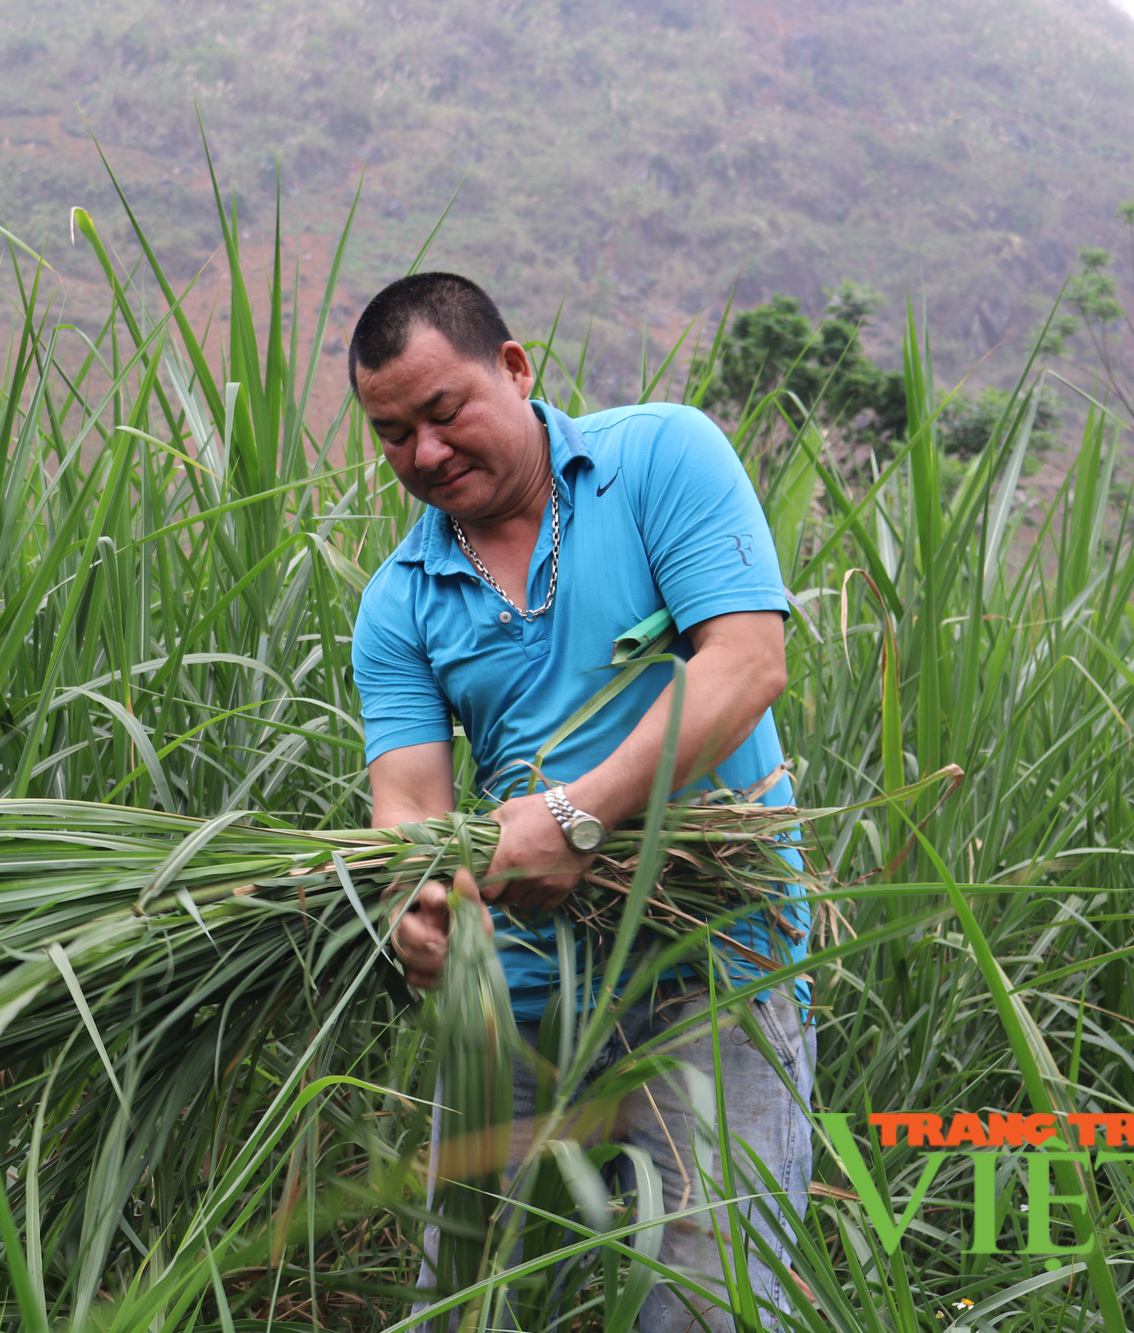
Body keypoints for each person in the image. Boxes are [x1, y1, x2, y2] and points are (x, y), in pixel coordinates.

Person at [347, 272, 814, 1332]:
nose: (422, 453)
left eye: (442, 411)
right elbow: (409, 809)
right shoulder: (398, 602)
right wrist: (411, 910)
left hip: (717, 964)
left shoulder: (659, 457)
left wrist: (574, 815)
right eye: (390, 434)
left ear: (513, 369)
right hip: (516, 1001)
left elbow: (744, 663)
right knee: (465, 1307)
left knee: (705, 1308)